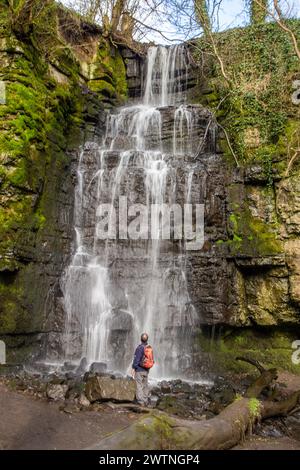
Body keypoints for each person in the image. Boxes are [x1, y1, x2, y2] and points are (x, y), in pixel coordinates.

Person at [131, 332, 154, 406]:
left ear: (141, 339)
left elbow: (136, 359)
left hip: (139, 370)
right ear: (147, 339)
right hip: (146, 370)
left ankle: (140, 402)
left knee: (139, 385)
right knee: (145, 385)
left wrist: (133, 368)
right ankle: (145, 400)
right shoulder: (149, 348)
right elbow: (152, 359)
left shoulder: (140, 348)